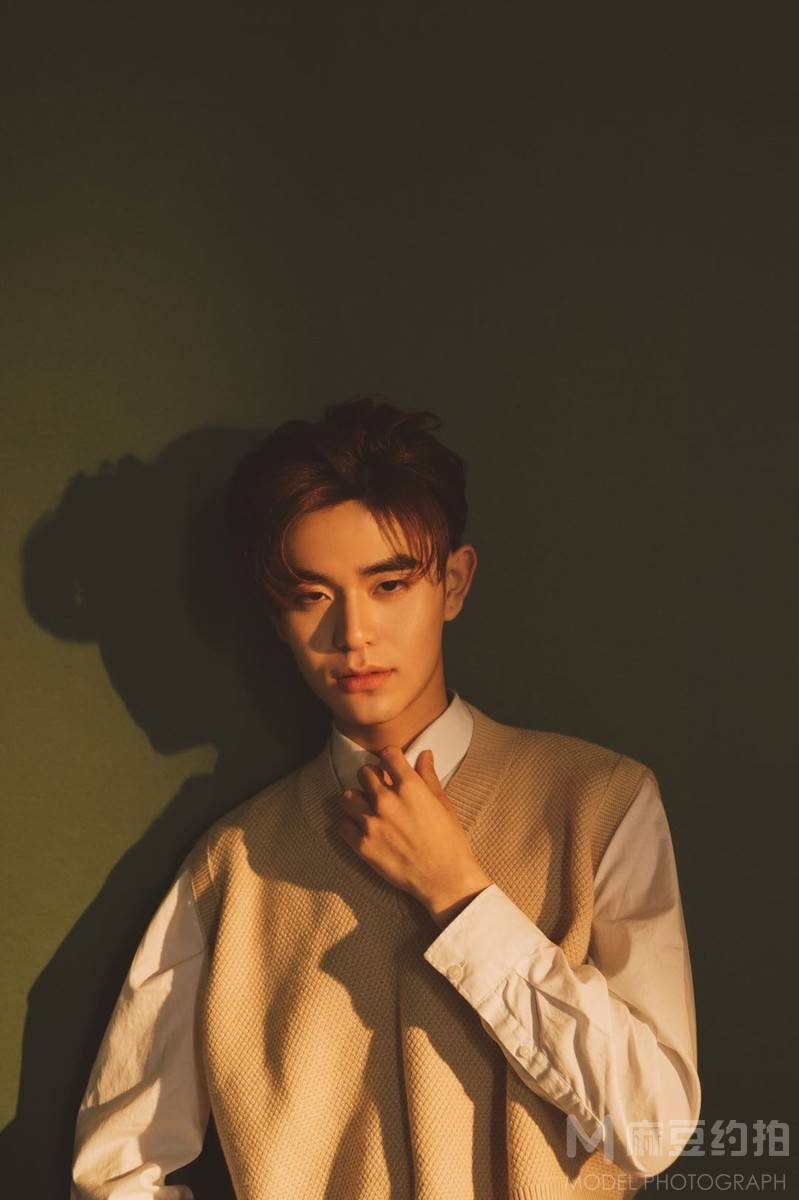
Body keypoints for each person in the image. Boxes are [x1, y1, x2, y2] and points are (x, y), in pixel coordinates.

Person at [70, 398, 701, 1199]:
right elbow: (113, 1169)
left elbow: (652, 1131)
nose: (354, 633)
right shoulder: (233, 866)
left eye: (390, 583)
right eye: (312, 596)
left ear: (453, 582)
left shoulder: (597, 802)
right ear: (276, 616)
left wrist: (460, 897)